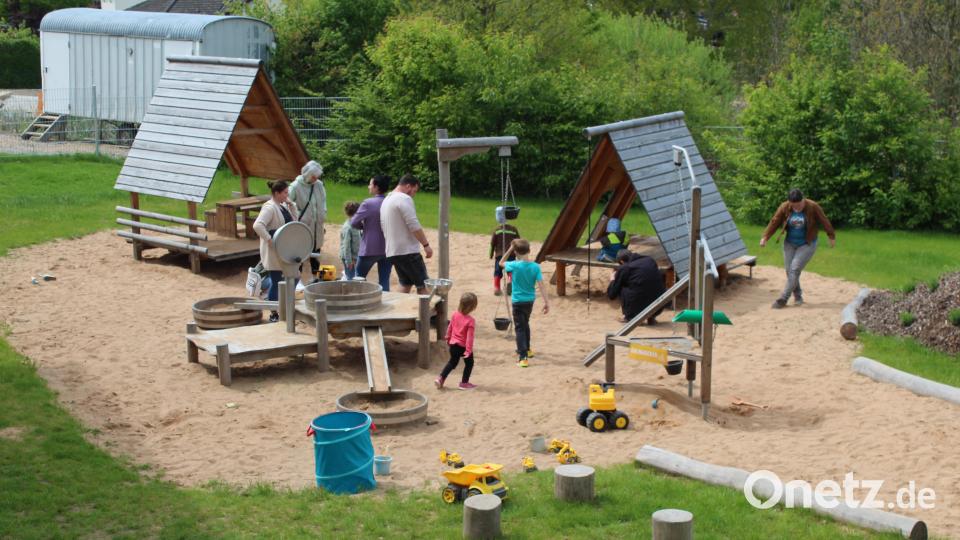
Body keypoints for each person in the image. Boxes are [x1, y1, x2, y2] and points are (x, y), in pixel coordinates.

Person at [760, 188, 836, 309]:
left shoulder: (812, 206)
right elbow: (775, 221)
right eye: (793, 205)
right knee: (789, 270)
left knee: (794, 270)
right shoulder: (785, 207)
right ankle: (798, 296)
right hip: (789, 243)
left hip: (807, 243)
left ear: (803, 200)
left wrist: (831, 235)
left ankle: (783, 299)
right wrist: (765, 237)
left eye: (799, 205)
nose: (797, 208)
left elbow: (824, 220)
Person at [252, 180, 299, 322]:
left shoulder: (283, 205)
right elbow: (257, 225)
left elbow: (294, 222)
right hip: (274, 251)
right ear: (277, 193)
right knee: (277, 279)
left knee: (295, 276)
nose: (287, 195)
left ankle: (280, 302)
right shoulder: (269, 207)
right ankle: (274, 312)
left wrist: (292, 205)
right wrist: (269, 240)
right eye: (285, 192)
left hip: (284, 249)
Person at [500, 239, 550, 368]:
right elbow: (542, 286)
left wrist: (510, 249)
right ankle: (527, 349)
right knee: (525, 323)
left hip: (517, 301)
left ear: (516, 252)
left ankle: (523, 357)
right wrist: (546, 302)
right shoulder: (535, 267)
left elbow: (501, 263)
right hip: (530, 301)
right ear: (529, 250)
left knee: (520, 328)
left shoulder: (514, 265)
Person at [381, 173, 433, 294]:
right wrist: (426, 245)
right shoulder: (403, 199)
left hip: (392, 251)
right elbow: (414, 225)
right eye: (414, 191)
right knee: (423, 286)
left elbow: (383, 225)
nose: (413, 195)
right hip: (407, 251)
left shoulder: (387, 200)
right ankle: (427, 313)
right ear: (408, 186)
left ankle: (398, 312)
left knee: (405, 283)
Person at [351, 174, 393, 291]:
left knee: (359, 278)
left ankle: (359, 303)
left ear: (376, 186)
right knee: (384, 280)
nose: (368, 186)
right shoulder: (390, 202)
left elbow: (354, 222)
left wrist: (363, 227)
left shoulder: (368, 203)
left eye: (370, 184)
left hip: (369, 248)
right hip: (388, 248)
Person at [289, 160, 327, 282]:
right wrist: (300, 215)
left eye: (317, 177)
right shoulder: (295, 186)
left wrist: (323, 215)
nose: (316, 179)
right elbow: (288, 204)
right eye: (314, 177)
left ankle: (316, 278)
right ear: (308, 175)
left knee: (316, 251)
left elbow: (323, 201)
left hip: (317, 225)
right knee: (300, 253)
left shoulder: (319, 185)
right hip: (303, 226)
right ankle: (297, 280)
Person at [607, 249, 665, 324]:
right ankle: (651, 317)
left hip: (637, 306)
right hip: (658, 306)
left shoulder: (625, 268)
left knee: (622, 287)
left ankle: (629, 317)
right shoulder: (649, 260)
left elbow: (612, 294)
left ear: (621, 261)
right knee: (648, 286)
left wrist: (612, 279)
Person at [435, 292, 478, 390]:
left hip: (453, 345)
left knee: (452, 362)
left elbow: (450, 327)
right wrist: (468, 350)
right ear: (472, 307)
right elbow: (469, 337)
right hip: (463, 347)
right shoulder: (470, 320)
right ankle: (464, 383)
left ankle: (441, 378)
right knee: (469, 363)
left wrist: (448, 337)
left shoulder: (455, 315)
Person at [489, 207, 520, 296]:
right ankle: (511, 282)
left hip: (499, 256)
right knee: (511, 270)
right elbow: (518, 241)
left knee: (497, 271)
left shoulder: (497, 230)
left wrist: (491, 255)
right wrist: (519, 254)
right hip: (511, 254)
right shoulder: (513, 229)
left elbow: (492, 244)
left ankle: (497, 288)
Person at [340, 201, 362, 280]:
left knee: (355, 277)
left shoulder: (357, 224)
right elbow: (346, 246)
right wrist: (349, 261)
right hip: (349, 258)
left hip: (355, 257)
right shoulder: (348, 227)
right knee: (351, 278)